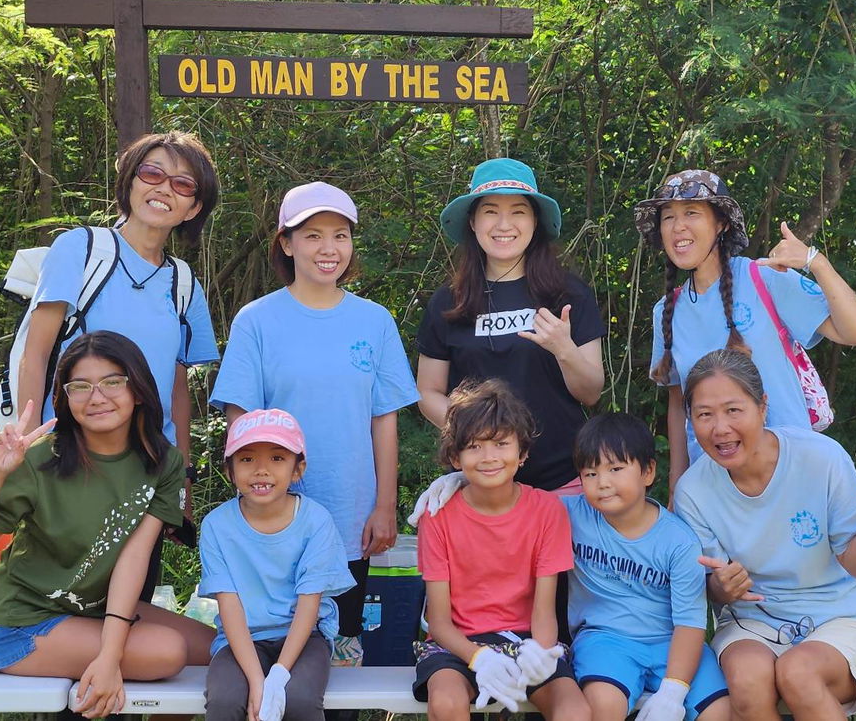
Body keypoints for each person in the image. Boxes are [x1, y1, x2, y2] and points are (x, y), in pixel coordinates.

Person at [0, 331, 214, 719]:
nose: (97, 397)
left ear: (138, 389)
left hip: (94, 611)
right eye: (81, 386)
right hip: (22, 624)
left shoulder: (163, 461)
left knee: (214, 650)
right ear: (66, 396)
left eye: (112, 382)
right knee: (168, 651)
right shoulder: (41, 459)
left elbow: (134, 557)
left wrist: (111, 652)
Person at [211, 181, 419, 667]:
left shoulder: (374, 321)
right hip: (273, 515)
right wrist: (254, 498)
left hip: (350, 511)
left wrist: (385, 505)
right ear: (286, 243)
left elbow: (384, 420)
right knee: (272, 641)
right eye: (313, 235)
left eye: (340, 235)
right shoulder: (256, 320)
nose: (329, 248)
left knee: (341, 648)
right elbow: (241, 423)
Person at [17, 131, 221, 596]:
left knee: (128, 603)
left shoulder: (183, 283)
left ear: (193, 208)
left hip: (146, 472)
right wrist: (30, 450)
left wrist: (182, 481)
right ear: (129, 181)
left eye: (183, 184)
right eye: (152, 173)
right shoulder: (80, 249)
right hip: (70, 463)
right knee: (58, 600)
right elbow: (36, 353)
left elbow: (176, 391)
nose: (164, 188)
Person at [671, 349, 856, 721]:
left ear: (762, 406)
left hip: (841, 617)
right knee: (748, 680)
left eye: (733, 410)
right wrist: (722, 588)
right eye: (704, 414)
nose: (720, 428)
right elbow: (711, 587)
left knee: (798, 673)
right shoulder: (692, 491)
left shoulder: (821, 458)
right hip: (751, 622)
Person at [633, 169, 856, 492]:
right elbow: (678, 406)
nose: (678, 227)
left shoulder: (764, 278)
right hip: (716, 486)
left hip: (792, 471)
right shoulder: (667, 311)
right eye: (668, 217)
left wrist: (815, 261)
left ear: (722, 223)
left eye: (691, 213)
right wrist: (678, 485)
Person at [415, 157, 605, 498]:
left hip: (562, 483)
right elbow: (428, 392)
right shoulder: (448, 302)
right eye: (490, 211)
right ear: (473, 221)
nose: (504, 224)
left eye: (518, 211)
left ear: (535, 221)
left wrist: (565, 350)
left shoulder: (568, 294)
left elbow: (591, 392)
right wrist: (477, 434)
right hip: (479, 485)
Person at [412, 379, 590, 721]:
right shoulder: (437, 516)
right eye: (474, 446)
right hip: (456, 644)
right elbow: (439, 621)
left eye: (501, 443)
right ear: (455, 456)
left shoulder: (548, 511)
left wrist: (539, 653)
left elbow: (544, 612)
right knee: (446, 702)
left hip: (526, 641)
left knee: (575, 710)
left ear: (522, 453)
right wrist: (479, 658)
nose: (489, 457)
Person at [566, 413, 729, 721]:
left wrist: (674, 690)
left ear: (648, 471)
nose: (603, 483)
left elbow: (690, 622)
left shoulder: (679, 541)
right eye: (590, 473)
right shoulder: (571, 514)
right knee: (603, 704)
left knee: (719, 711)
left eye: (616, 469)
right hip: (605, 639)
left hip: (671, 640)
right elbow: (519, 505)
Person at [200, 408, 356, 721]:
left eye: (277, 458)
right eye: (246, 459)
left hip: (305, 638)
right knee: (225, 700)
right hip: (242, 640)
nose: (261, 470)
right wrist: (257, 680)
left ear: (298, 469)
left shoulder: (316, 521)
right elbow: (229, 606)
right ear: (230, 470)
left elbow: (309, 604)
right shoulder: (216, 525)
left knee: (298, 699)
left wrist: (279, 673)